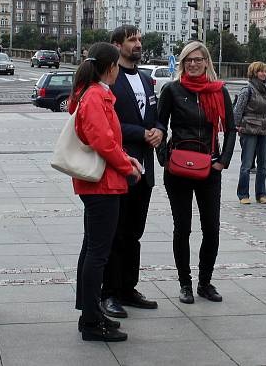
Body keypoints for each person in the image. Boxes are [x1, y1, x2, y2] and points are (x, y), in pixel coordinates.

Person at [69, 42, 143, 342]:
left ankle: (91, 313)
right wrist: (128, 168)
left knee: (92, 249)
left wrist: (127, 159)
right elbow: (104, 142)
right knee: (98, 253)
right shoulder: (96, 96)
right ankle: (90, 321)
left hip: (100, 182)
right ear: (110, 67)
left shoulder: (92, 94)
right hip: (103, 184)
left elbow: (109, 141)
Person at [156, 41, 236, 304]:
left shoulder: (218, 92)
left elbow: (232, 129)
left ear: (206, 62)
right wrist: (164, 159)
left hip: (209, 169)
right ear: (182, 63)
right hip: (178, 169)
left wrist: (222, 161)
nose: (193, 64)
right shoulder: (172, 90)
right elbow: (159, 126)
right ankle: (185, 284)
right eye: (188, 60)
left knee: (211, 228)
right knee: (183, 228)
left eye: (198, 59)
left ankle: (205, 282)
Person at [99, 26, 164, 319]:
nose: (138, 44)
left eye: (139, 39)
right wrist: (142, 132)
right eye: (131, 40)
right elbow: (107, 125)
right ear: (117, 45)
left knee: (134, 234)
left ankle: (128, 288)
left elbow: (157, 117)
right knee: (113, 234)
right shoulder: (110, 81)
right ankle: (109, 293)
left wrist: (159, 132)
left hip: (144, 170)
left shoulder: (147, 80)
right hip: (119, 168)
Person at [234, 61, 266, 204]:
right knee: (247, 164)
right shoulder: (247, 90)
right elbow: (238, 110)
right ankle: (243, 194)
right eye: (260, 71)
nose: (264, 74)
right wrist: (237, 126)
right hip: (249, 128)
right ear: (254, 73)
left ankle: (261, 194)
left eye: (265, 71)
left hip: (264, 127)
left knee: (263, 164)